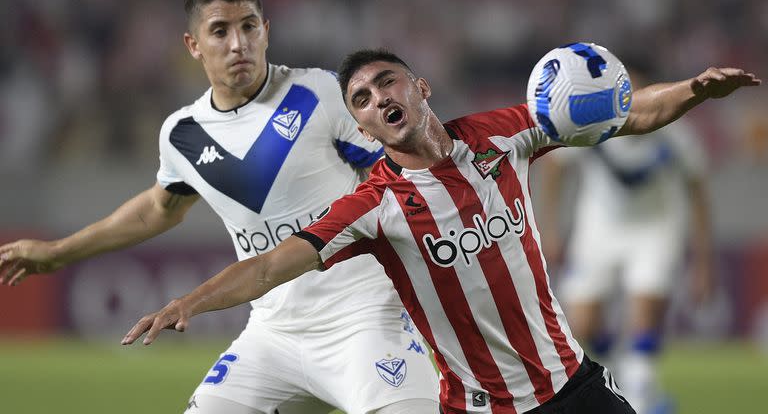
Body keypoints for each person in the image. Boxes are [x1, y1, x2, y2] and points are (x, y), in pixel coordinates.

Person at [118, 47, 760, 413]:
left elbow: (621, 114)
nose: (376, 99)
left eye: (385, 82)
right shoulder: (374, 206)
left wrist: (694, 90)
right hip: (475, 408)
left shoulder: (503, 134)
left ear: (420, 87)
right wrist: (189, 303)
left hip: (570, 387)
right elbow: (265, 267)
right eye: (361, 101)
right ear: (363, 130)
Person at [0, 0, 439, 414]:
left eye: (249, 26)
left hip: (367, 319)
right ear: (193, 45)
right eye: (220, 31)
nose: (238, 44)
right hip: (274, 334)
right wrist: (57, 252)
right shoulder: (183, 134)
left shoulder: (323, 94)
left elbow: (408, 170)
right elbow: (156, 210)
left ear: (266, 31)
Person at [538, 66, 714, 414]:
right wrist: (551, 227)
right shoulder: (593, 123)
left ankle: (643, 393)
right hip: (598, 229)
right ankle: (623, 376)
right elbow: (556, 167)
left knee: (644, 312)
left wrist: (703, 261)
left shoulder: (674, 131)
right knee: (584, 322)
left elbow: (697, 190)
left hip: (657, 228)